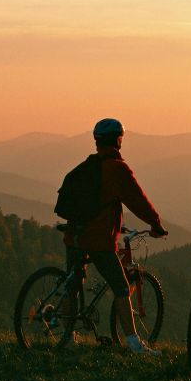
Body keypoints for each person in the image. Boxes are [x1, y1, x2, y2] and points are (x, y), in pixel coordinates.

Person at [62, 118, 167, 355]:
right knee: (120, 288)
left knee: (72, 284)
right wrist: (155, 223)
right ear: (119, 140)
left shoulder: (88, 165)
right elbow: (137, 200)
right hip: (99, 239)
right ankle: (133, 343)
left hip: (75, 234)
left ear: (97, 141)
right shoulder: (117, 168)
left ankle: (67, 337)